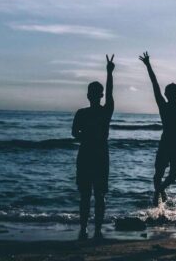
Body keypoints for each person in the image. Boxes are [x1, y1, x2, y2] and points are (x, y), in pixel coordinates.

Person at [139, 50, 176, 206]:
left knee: (165, 175)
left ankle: (159, 191)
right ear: (171, 94)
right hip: (172, 142)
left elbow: (157, 84)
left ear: (171, 94)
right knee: (165, 174)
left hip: (172, 142)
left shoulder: (172, 105)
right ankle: (160, 192)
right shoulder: (172, 105)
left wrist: (148, 65)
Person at [71, 55, 115, 240]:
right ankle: (91, 228)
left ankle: (89, 229)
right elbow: (75, 132)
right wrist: (109, 72)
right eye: (96, 92)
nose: (96, 95)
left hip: (92, 155)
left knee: (92, 194)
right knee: (94, 194)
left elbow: (75, 133)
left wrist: (109, 72)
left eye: (96, 92)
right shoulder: (90, 112)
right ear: (94, 95)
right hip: (94, 155)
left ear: (91, 95)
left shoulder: (98, 112)